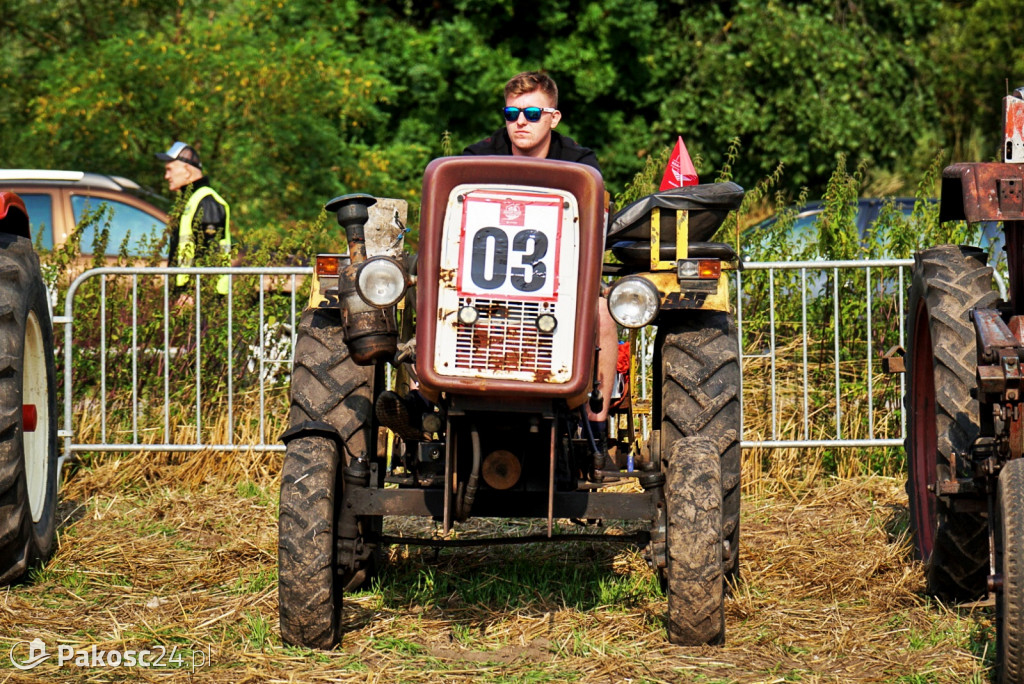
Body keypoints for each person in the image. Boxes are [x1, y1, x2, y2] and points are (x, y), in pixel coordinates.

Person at [464, 71, 620, 474]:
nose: (521, 121)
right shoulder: (476, 157)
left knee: (602, 312)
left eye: (533, 113)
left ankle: (596, 419)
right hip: (483, 280)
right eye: (511, 112)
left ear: (554, 117)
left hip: (562, 280)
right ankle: (424, 396)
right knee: (426, 297)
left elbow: (594, 220)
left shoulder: (580, 163)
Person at [156, 141, 231, 293]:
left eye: (170, 170)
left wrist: (191, 293)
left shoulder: (207, 201)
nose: (166, 176)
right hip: (188, 293)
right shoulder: (190, 200)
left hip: (204, 295)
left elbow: (210, 253)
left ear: (187, 170)